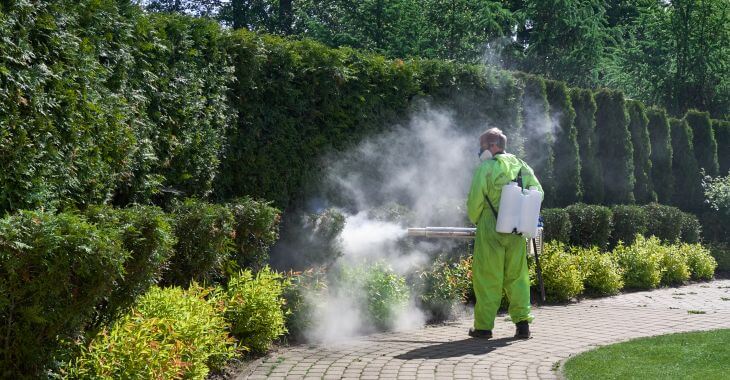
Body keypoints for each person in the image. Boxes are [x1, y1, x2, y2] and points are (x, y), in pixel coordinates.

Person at [466, 128, 543, 339]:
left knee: (488, 277)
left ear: (492, 146)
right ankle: (522, 325)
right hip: (517, 229)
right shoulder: (522, 165)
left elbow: (475, 201)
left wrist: (478, 220)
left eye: (482, 146)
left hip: (491, 228)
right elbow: (538, 192)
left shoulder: (486, 167)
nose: (480, 151)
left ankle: (483, 328)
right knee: (517, 278)